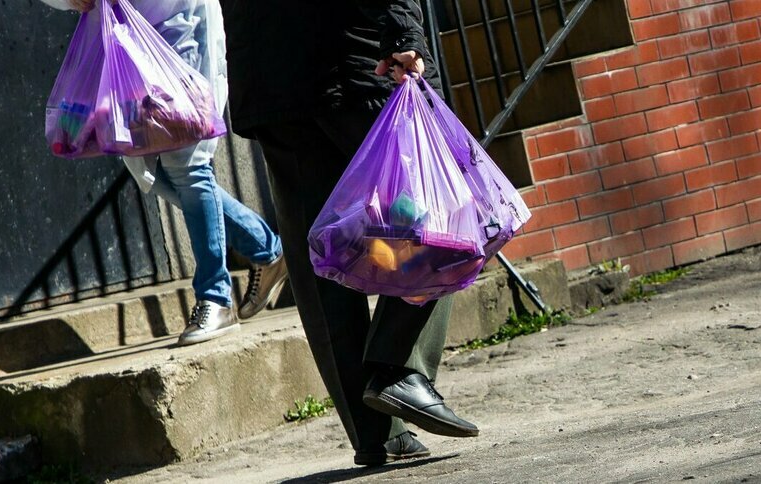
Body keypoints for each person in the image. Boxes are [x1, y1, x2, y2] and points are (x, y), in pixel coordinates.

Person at [218, 0, 479, 466]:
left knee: (317, 253)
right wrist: (403, 32)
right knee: (442, 213)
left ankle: (376, 432)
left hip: (267, 68)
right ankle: (397, 366)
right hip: (358, 54)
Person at [41, 0, 288, 345]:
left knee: (186, 165)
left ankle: (215, 298)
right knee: (159, 177)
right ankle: (266, 249)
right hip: (124, 40)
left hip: (177, 24)